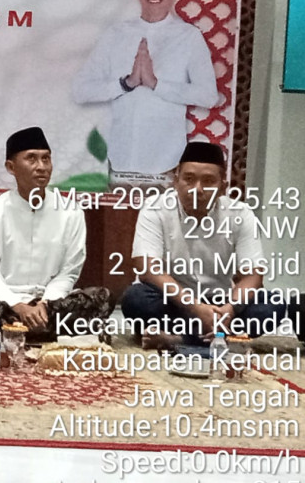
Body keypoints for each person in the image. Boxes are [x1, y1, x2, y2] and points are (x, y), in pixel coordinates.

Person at [121, 142, 298, 343]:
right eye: (189, 179)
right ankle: (221, 338)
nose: (197, 189)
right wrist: (196, 307)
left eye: (208, 181)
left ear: (223, 187)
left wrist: (230, 309)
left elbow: (253, 276)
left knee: (271, 305)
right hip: (175, 300)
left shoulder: (240, 214)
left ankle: (178, 339)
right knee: (137, 299)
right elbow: (148, 269)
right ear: (175, 181)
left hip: (221, 302)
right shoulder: (154, 208)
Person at [72, 0, 218, 182]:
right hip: (119, 163)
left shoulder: (189, 36)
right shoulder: (116, 34)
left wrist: (156, 84)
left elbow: (208, 96)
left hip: (167, 166)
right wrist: (126, 83)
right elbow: (81, 91)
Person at [0, 127, 113, 341]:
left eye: (46, 159)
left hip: (51, 304)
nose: (41, 167)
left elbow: (69, 272)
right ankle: (49, 331)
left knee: (103, 298)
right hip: (7, 304)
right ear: (11, 167)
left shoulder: (71, 211)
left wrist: (45, 303)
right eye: (31, 158)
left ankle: (18, 330)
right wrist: (19, 306)